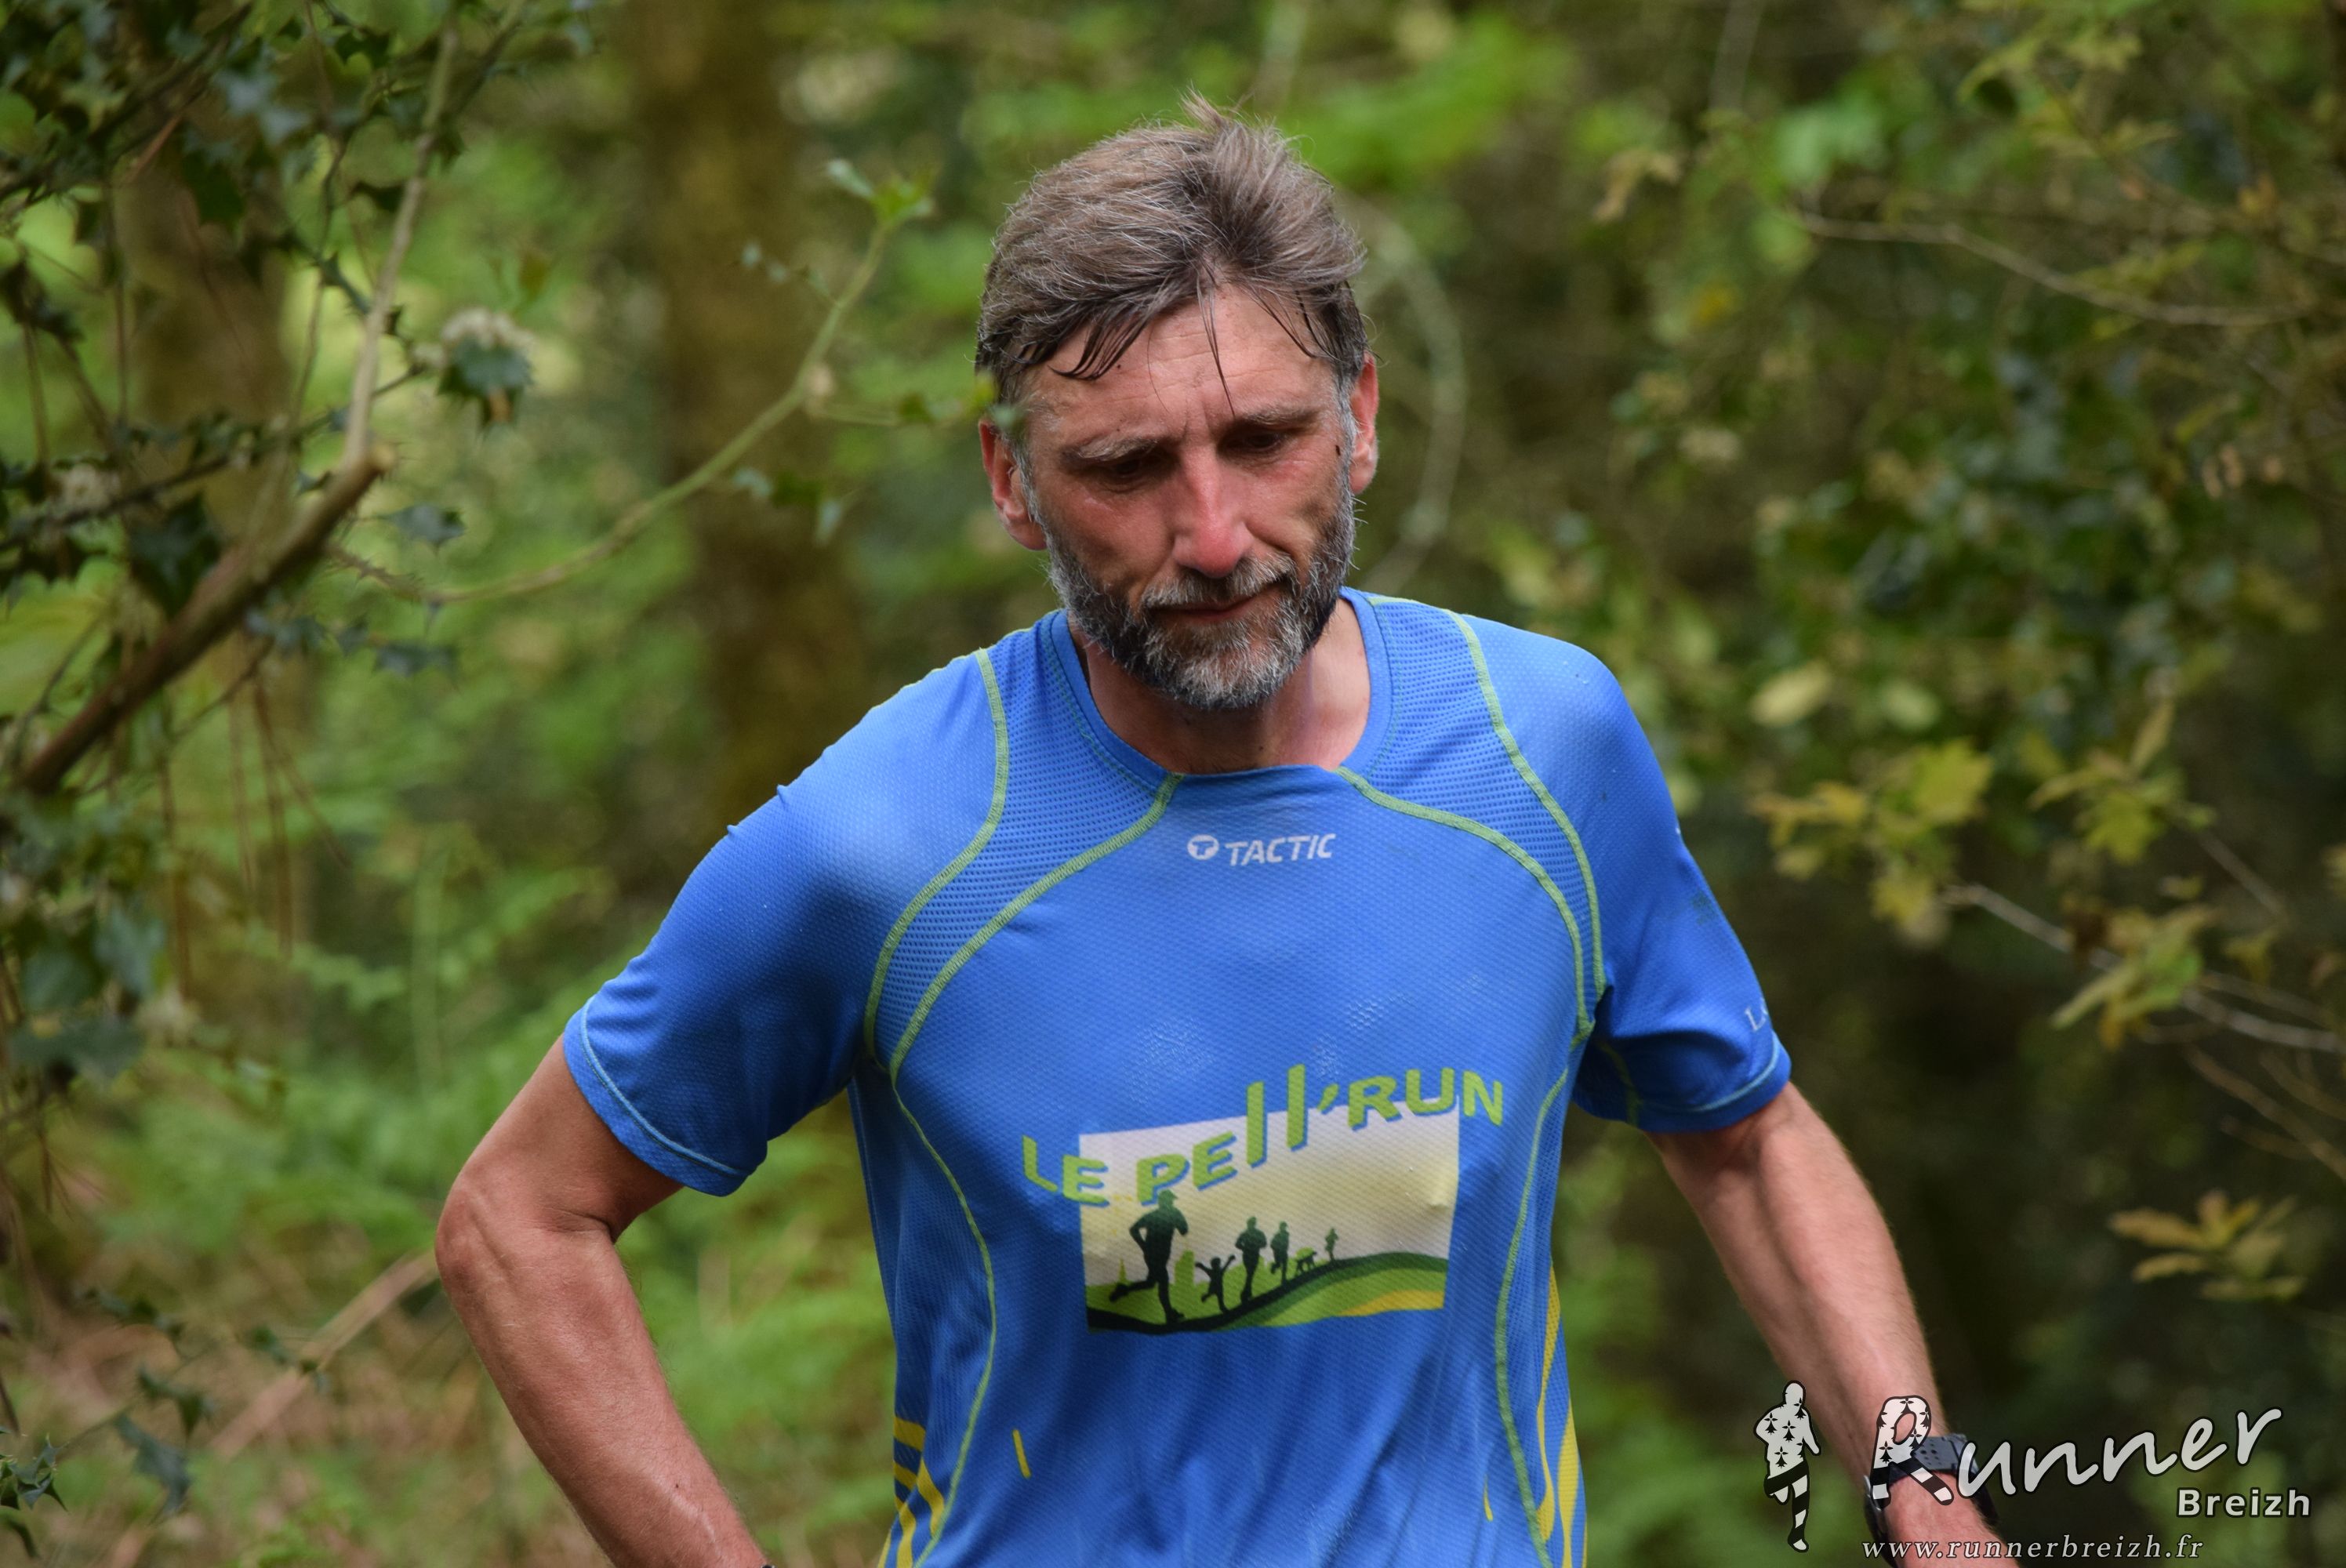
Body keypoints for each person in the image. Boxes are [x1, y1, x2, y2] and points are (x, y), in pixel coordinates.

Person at [435, 96, 2003, 1567]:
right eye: (1124, 468)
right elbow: (521, 1216)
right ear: (1011, 481)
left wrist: (1926, 1503)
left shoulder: (1540, 752)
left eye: (1262, 440)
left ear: (1359, 417)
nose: (1210, 535)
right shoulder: (887, 841)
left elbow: (1744, 1140)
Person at [1234, 1217, 1267, 1304]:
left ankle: (1247, 1293)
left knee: (1250, 1274)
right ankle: (1245, 1294)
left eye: (1252, 1223)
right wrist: (1246, 1248)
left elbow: (1264, 1244)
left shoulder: (1256, 1233)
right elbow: (1237, 1244)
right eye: (1250, 1223)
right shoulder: (1246, 1234)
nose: (1250, 1225)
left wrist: (1255, 1246)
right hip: (1248, 1255)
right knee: (1250, 1274)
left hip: (1254, 1255)